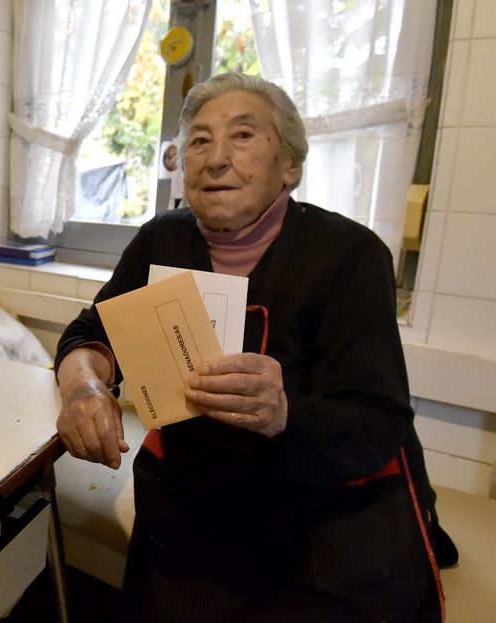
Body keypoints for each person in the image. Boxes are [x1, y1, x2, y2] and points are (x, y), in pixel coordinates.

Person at [55, 73, 451, 622]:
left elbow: (379, 424)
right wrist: (85, 388)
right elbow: (89, 335)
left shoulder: (350, 256)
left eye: (243, 136)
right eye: (198, 140)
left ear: (289, 165)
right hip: (191, 505)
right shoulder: (161, 239)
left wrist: (283, 412)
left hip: (315, 516)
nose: (216, 158)